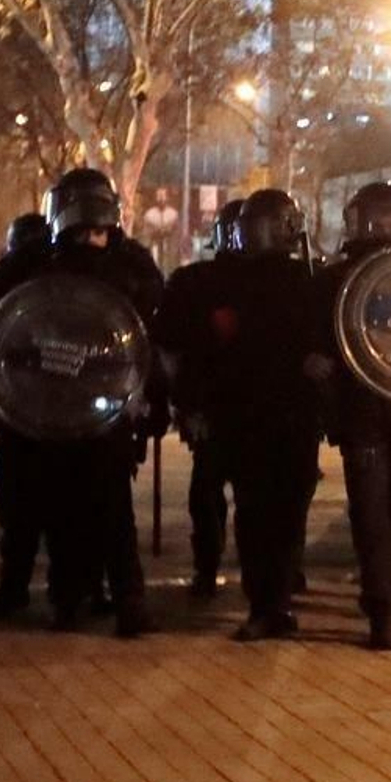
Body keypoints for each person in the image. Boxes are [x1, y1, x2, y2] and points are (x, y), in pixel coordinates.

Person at [34, 169, 166, 637]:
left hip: (74, 404)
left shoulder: (47, 264)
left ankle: (76, 599)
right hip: (99, 405)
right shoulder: (128, 264)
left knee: (70, 507)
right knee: (109, 508)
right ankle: (121, 600)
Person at [309, 182, 391, 650]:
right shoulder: (333, 279)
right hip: (361, 412)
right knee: (371, 513)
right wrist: (316, 362)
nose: (384, 226)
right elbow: (312, 339)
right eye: (376, 217)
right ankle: (384, 608)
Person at [198, 190, 321, 640]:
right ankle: (262, 603)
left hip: (293, 413)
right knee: (253, 512)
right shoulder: (228, 281)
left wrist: (315, 362)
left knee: (287, 511)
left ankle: (279, 602)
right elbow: (214, 348)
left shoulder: (308, 278)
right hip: (246, 411)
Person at [158, 198, 243, 601]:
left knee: (260, 496)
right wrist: (187, 405)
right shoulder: (194, 283)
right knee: (208, 494)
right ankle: (207, 567)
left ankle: (274, 569)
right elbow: (174, 350)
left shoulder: (285, 280)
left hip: (262, 406)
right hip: (212, 403)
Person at [0, 213, 54, 622]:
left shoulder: (8, 281)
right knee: (57, 510)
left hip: (24, 412)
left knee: (18, 510)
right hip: (47, 410)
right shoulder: (61, 279)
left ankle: (15, 587)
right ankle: (69, 591)